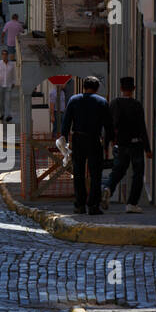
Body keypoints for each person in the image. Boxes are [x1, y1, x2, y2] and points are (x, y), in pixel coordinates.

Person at [62, 76, 113, 215]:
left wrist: (64, 138)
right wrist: (108, 143)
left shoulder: (74, 100)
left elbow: (66, 121)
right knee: (96, 174)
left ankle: (80, 204)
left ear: (83, 87)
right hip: (94, 140)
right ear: (97, 88)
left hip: (78, 138)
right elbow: (108, 125)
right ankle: (93, 205)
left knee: (78, 173)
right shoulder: (102, 102)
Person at [101, 77, 152, 213]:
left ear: (121, 88)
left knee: (118, 170)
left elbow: (108, 126)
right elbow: (142, 127)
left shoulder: (114, 103)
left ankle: (108, 188)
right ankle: (132, 203)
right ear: (133, 89)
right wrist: (147, 148)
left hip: (121, 144)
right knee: (137, 174)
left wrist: (107, 145)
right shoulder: (136, 105)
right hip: (136, 144)